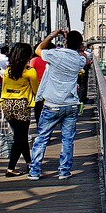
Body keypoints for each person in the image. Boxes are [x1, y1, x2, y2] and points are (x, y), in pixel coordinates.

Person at [28, 29, 90, 181]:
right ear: (79, 45)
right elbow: (86, 59)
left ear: (65, 42)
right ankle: (64, 171)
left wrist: (53, 35)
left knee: (42, 138)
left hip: (52, 103)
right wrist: (78, 48)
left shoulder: (54, 55)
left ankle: (35, 171)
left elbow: (38, 49)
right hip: (71, 104)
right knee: (68, 140)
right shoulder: (79, 59)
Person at [0, 42, 38, 177]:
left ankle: (29, 163)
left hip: (7, 104)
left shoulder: (8, 71)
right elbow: (36, 90)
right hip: (21, 104)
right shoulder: (29, 71)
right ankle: (10, 168)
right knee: (20, 138)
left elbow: (4, 89)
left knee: (20, 136)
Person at [29, 41, 53, 122]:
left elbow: (30, 72)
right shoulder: (51, 60)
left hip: (38, 86)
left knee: (38, 108)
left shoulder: (34, 60)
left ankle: (39, 123)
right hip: (49, 86)